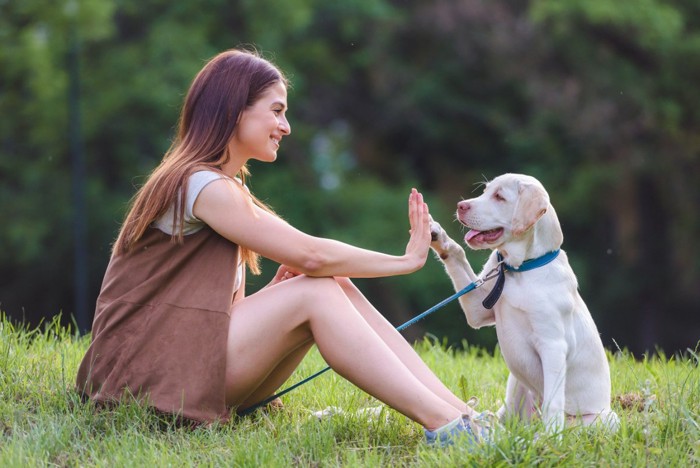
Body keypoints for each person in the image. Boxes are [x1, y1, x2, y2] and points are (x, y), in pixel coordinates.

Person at [76, 48, 491, 446]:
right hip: (139, 380)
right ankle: (447, 425)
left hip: (174, 370)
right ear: (234, 110)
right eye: (276, 111)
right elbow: (311, 254)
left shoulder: (219, 186)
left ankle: (462, 415)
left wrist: (275, 299)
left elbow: (217, 312)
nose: (286, 126)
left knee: (334, 283)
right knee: (315, 284)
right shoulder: (199, 183)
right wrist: (406, 261)